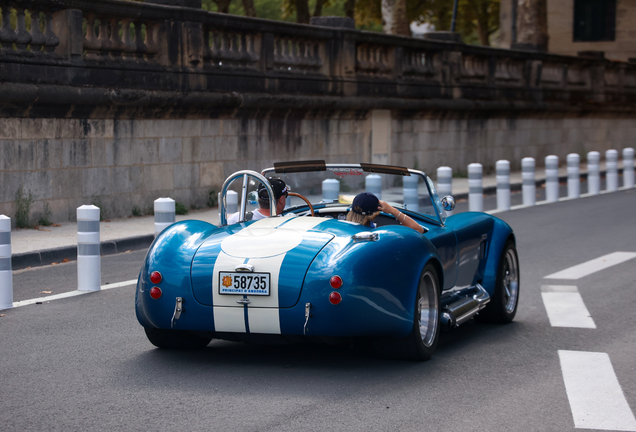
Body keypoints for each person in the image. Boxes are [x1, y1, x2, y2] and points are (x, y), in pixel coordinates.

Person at [346, 192, 425, 234]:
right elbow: (418, 229)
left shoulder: (342, 230)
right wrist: (391, 209)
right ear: (374, 215)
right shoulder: (376, 235)